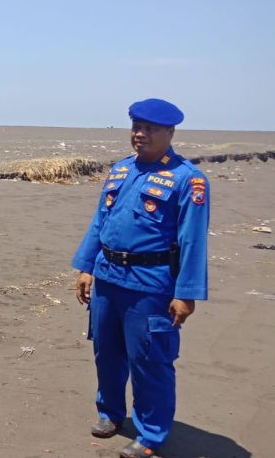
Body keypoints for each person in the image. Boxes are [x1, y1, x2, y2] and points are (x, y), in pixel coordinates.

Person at [72, 98, 210, 458]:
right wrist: (86, 266)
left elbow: (192, 240)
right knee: (107, 351)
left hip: (151, 284)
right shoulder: (120, 170)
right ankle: (111, 413)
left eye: (150, 128)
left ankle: (150, 435)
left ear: (170, 132)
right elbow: (99, 222)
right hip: (109, 278)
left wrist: (187, 293)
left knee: (150, 362)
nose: (140, 134)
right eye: (136, 126)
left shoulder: (188, 179)